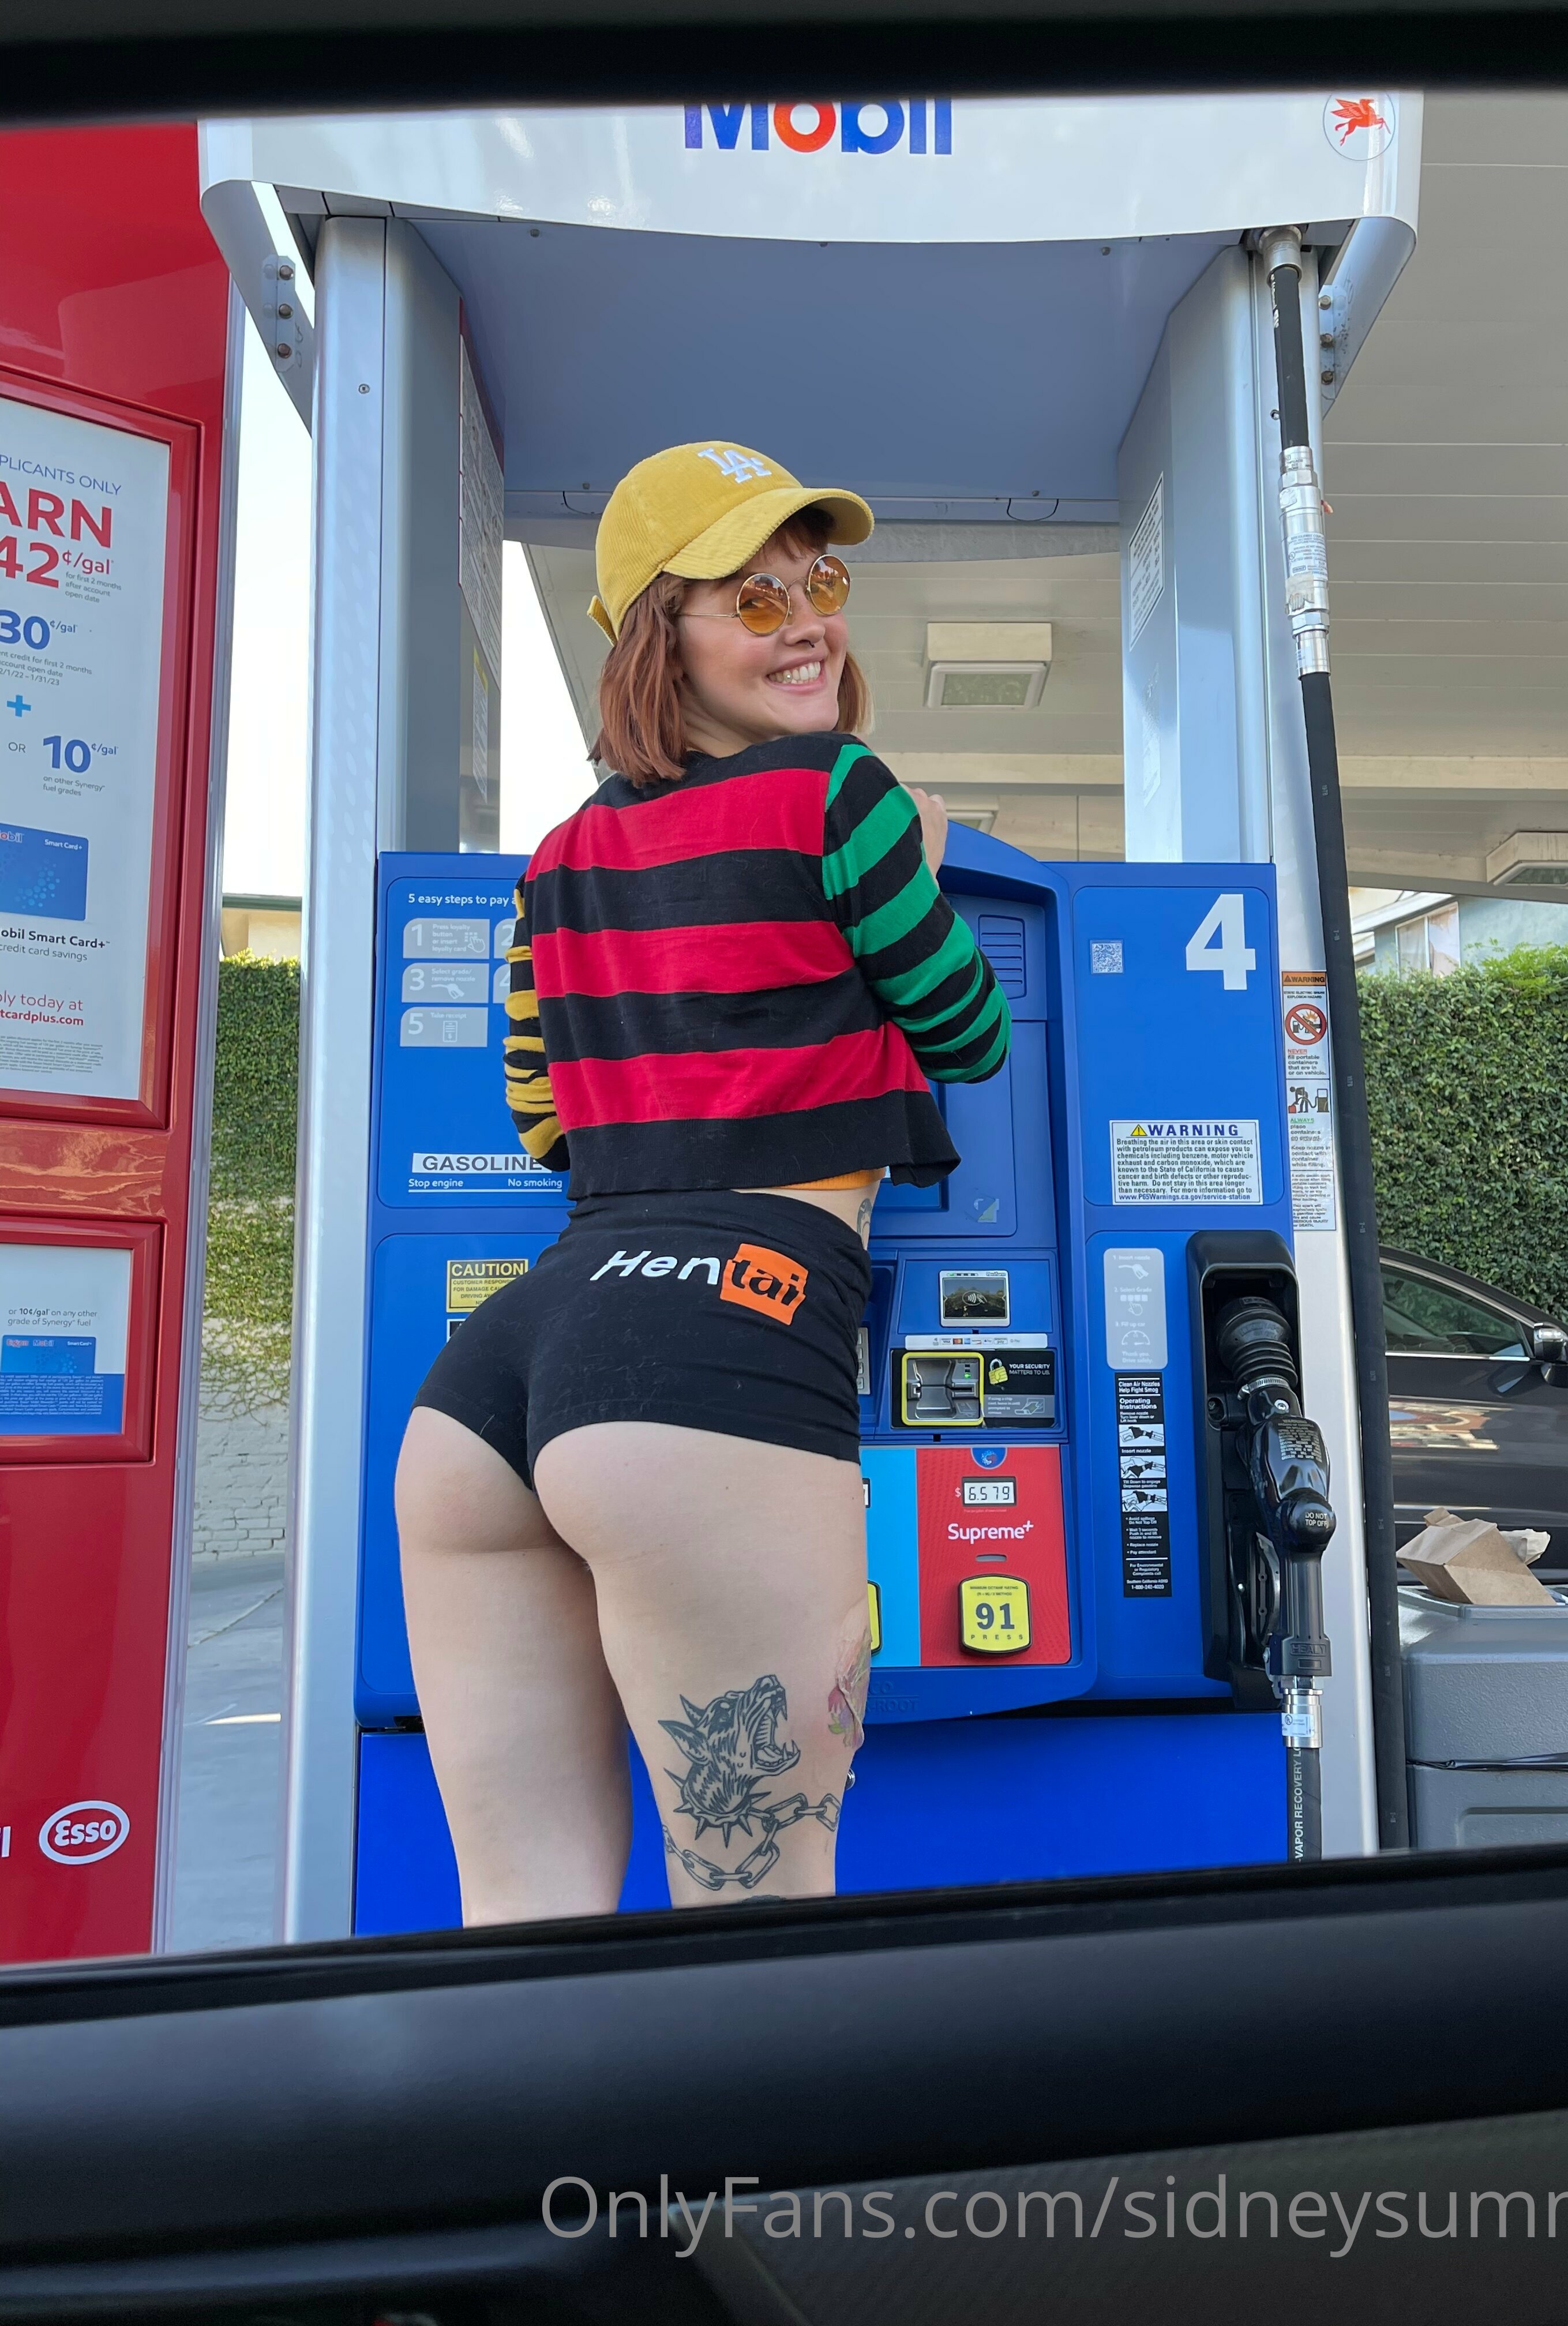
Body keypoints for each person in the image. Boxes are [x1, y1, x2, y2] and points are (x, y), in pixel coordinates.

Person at [395, 441, 1011, 1921]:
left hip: (496, 1390)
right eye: (754, 597)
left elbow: (544, 1121)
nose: (809, 625)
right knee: (755, 1925)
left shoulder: (559, 860)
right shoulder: (844, 794)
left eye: (820, 584)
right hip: (718, 1349)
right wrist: (917, 872)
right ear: (657, 639)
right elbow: (970, 1032)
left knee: (521, 1916)